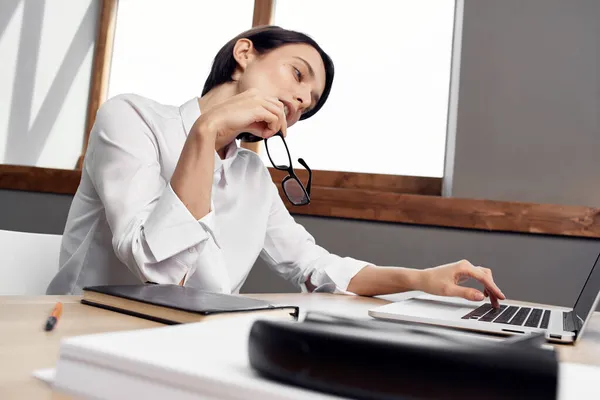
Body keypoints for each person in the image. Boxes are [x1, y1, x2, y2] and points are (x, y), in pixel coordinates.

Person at [46, 26, 505, 308]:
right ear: (245, 54)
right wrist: (206, 132)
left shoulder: (252, 178)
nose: (301, 101)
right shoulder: (131, 117)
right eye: (298, 75)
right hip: (87, 330)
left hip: (189, 340)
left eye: (309, 104)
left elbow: (313, 266)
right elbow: (156, 268)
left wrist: (419, 280)